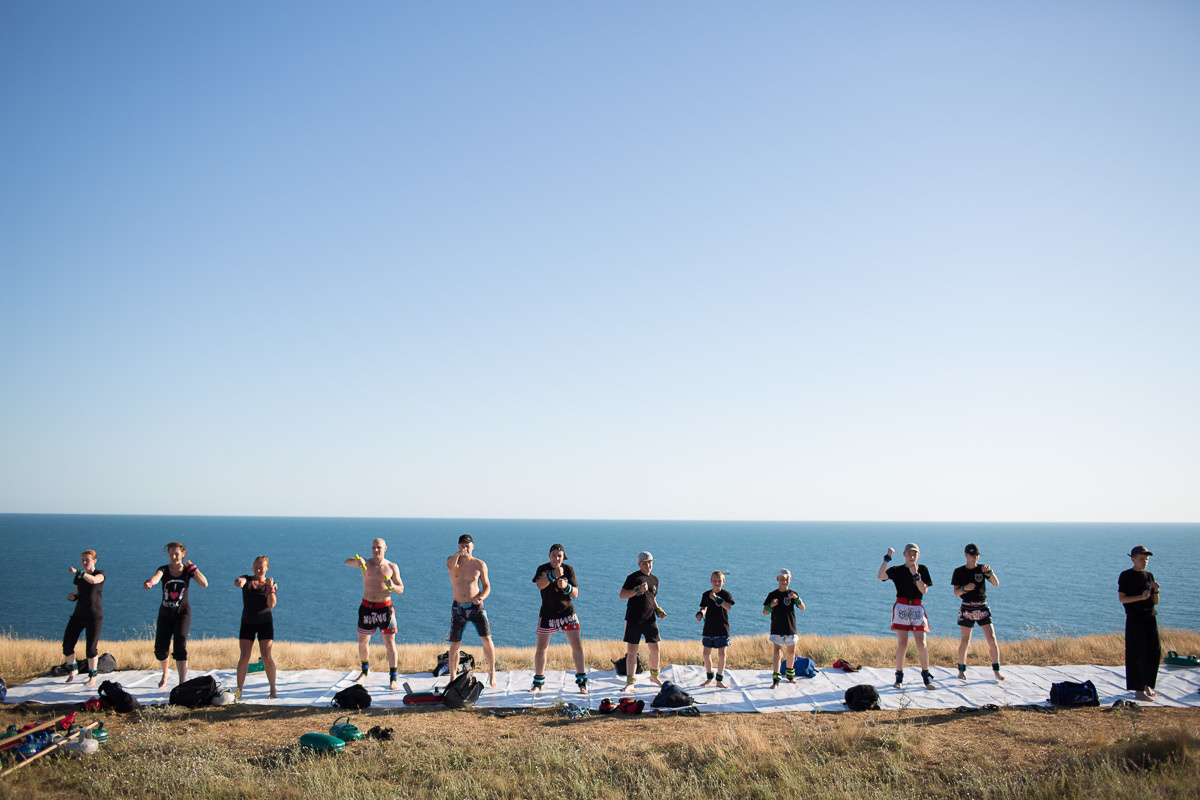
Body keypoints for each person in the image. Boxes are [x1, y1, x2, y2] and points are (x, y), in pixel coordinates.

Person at [143, 541, 209, 688]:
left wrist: (193, 568)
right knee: (160, 649)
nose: (174, 556)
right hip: (165, 614)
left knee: (180, 645)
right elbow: (156, 577)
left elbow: (204, 583)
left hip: (182, 614)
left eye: (177, 553)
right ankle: (165, 673)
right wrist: (149, 583)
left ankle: (182, 682)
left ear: (183, 553)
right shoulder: (164, 569)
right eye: (171, 553)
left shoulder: (188, 570)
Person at [344, 538, 404, 690]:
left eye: (379, 547)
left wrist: (393, 586)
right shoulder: (366, 563)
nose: (376, 550)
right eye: (373, 547)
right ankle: (365, 670)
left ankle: (393, 677)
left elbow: (401, 588)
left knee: (390, 644)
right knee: (363, 641)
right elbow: (347, 562)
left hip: (385, 608)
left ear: (385, 548)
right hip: (367, 607)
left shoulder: (392, 566)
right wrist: (357, 562)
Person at [530, 543, 587, 694]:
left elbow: (575, 593)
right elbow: (540, 585)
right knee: (542, 648)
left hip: (567, 612)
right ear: (549, 556)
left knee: (577, 646)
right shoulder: (543, 569)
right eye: (554, 555)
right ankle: (538, 682)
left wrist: (567, 587)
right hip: (548, 613)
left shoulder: (569, 570)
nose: (557, 558)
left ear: (563, 557)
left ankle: (582, 682)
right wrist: (552, 576)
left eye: (560, 556)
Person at [878, 543, 934, 689]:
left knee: (922, 644)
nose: (912, 556)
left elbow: (924, 590)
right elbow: (881, 576)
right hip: (902, 606)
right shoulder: (897, 570)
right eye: (909, 553)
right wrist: (887, 557)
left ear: (918, 555)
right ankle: (899, 677)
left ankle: (926, 677)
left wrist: (915, 574)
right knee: (903, 644)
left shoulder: (923, 569)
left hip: (916, 607)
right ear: (904, 554)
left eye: (915, 554)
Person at [446, 534, 497, 688]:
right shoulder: (453, 561)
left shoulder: (479, 564)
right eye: (461, 545)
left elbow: (487, 586)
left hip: (476, 607)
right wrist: (457, 555)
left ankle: (492, 673)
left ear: (473, 546)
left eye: (467, 545)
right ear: (458, 547)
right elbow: (450, 565)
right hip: (458, 608)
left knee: (487, 639)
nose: (464, 548)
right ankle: (452, 677)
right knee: (455, 644)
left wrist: (481, 597)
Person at [951, 543, 1004, 682]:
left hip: (982, 607)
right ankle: (961, 670)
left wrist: (990, 572)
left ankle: (996, 671)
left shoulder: (982, 569)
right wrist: (964, 588)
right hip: (967, 608)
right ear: (966, 555)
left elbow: (996, 583)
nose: (975, 558)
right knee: (965, 640)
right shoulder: (959, 571)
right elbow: (956, 592)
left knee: (991, 639)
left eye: (977, 555)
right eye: (972, 555)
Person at [1118, 545, 1161, 702]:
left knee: (1154, 652)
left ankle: (1148, 684)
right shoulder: (1126, 576)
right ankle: (1138, 689)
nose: (1144, 562)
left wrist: (1156, 591)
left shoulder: (1149, 576)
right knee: (1137, 653)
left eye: (1147, 559)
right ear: (1133, 559)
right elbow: (1122, 599)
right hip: (1135, 619)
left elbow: (1155, 602)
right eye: (1141, 559)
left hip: (1150, 617)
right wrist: (1140, 597)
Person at [618, 551, 666, 689]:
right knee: (632, 651)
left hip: (650, 619)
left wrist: (658, 610)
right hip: (634, 619)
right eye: (645, 563)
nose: (648, 565)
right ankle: (630, 682)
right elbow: (622, 595)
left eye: (650, 562)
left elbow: (652, 598)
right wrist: (638, 590)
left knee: (655, 649)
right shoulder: (633, 577)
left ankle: (654, 676)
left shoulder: (655, 579)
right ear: (639, 564)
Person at [234, 555, 278, 700]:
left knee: (266, 656)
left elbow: (271, 604)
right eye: (256, 566)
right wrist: (240, 582)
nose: (258, 569)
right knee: (244, 657)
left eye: (262, 566)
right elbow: (240, 581)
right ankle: (239, 690)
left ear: (267, 568)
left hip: (265, 623)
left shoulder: (271, 584)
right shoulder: (247, 578)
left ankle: (272, 689)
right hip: (247, 623)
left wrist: (270, 588)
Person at [59, 549, 105, 686]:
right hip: (79, 614)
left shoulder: (100, 574)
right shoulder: (80, 576)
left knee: (91, 649)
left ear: (94, 561)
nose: (84, 562)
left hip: (94, 615)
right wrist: (73, 598)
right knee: (67, 644)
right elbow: (80, 594)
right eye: (82, 560)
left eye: (87, 560)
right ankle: (73, 669)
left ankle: (92, 676)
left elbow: (93, 581)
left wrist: (80, 572)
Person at [763, 569, 804, 689]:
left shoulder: (792, 593)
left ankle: (790, 675)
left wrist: (796, 598)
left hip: (790, 628)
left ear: (790, 580)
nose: (784, 582)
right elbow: (765, 612)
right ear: (777, 580)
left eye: (786, 580)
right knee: (777, 654)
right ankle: (776, 679)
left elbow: (802, 607)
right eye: (782, 579)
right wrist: (771, 605)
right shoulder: (772, 595)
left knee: (791, 652)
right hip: (777, 628)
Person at [696, 570, 734, 688]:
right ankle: (709, 678)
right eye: (714, 581)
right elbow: (704, 607)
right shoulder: (706, 594)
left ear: (723, 582)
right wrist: (700, 613)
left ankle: (719, 679)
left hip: (722, 628)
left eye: (719, 581)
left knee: (722, 655)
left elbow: (728, 607)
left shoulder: (726, 594)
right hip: (708, 628)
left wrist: (717, 599)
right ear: (711, 581)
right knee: (706, 654)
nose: (717, 583)